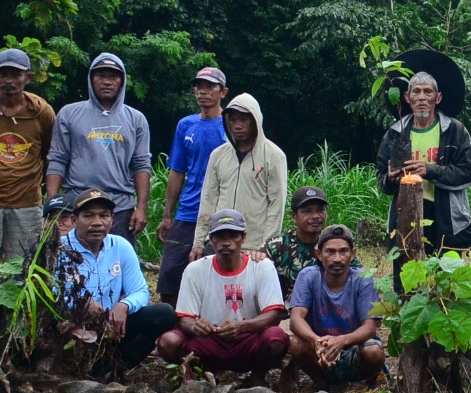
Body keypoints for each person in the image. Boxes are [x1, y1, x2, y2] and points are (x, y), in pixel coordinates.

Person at [54, 190, 176, 372]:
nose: (97, 223)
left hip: (111, 327)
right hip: (70, 328)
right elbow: (51, 294)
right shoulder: (58, 248)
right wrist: (81, 304)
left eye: (104, 216)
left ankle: (113, 370)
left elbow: (141, 291)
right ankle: (71, 369)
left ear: (112, 219)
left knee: (163, 314)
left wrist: (124, 306)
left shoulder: (120, 246)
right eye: (88, 216)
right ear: (74, 220)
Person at [377, 72, 471, 289]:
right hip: (407, 214)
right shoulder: (396, 133)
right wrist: (391, 179)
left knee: (447, 281)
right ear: (407, 97)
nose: (422, 97)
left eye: (428, 92)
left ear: (438, 98)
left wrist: (430, 170)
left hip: (446, 216)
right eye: (416, 91)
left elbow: (468, 171)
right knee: (408, 280)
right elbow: (381, 178)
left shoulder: (454, 131)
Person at [159, 209, 289, 376]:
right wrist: (196, 327)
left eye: (233, 236)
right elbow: (185, 318)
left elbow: (274, 315)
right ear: (211, 240)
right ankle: (200, 372)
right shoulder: (195, 269)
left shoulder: (262, 267)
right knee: (168, 342)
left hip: (247, 339)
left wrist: (241, 327)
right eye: (219, 236)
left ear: (243, 238)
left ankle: (257, 376)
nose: (226, 242)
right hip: (209, 340)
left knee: (276, 338)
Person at [45, 53, 151, 240]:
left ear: (122, 80)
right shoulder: (69, 114)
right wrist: (54, 205)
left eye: (113, 76)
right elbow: (57, 159)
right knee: (72, 263)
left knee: (115, 264)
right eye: (101, 75)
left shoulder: (136, 119)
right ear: (91, 79)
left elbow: (141, 165)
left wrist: (142, 208)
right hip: (77, 206)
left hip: (120, 208)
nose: (107, 82)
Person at [153, 68, 228, 302]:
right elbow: (177, 171)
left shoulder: (231, 126)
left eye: (210, 86)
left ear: (223, 92)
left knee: (214, 277)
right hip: (186, 212)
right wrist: (167, 215)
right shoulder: (186, 125)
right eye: (199, 86)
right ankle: (169, 329)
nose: (203, 91)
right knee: (170, 275)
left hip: (219, 213)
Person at [191, 94, 288, 262]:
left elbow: (276, 206)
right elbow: (208, 200)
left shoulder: (274, 156)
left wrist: (266, 247)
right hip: (219, 243)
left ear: (256, 121)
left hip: (254, 247)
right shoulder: (218, 155)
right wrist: (199, 241)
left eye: (244, 120)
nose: (237, 125)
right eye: (233, 120)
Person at [285, 224, 385, 386]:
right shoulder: (308, 277)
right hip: (321, 348)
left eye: (343, 251)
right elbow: (296, 319)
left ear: (353, 254)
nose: (337, 259)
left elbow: (370, 327)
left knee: (374, 351)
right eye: (330, 252)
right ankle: (321, 382)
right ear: (319, 254)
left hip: (354, 347)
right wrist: (315, 340)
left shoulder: (362, 279)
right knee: (296, 344)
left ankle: (369, 383)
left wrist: (342, 341)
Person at [0, 48, 55, 264]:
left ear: (28, 78)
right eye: (3, 74)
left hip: (26, 203)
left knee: (23, 269)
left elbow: (51, 156)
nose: (8, 81)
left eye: (15, 74)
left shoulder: (41, 112)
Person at [263, 186, 329, 296]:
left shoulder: (334, 245)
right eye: (307, 211)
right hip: (284, 310)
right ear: (294, 216)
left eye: (320, 210)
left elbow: (358, 277)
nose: (315, 216)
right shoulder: (275, 247)